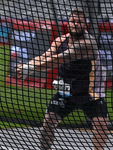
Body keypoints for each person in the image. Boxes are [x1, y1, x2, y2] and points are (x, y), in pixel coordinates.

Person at [16, 9, 109, 150]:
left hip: (90, 93)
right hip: (67, 91)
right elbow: (44, 57)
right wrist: (27, 65)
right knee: (48, 122)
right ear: (68, 23)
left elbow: (60, 58)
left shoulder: (89, 43)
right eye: (73, 21)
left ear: (85, 25)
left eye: (79, 21)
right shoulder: (60, 41)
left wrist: (30, 69)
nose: (76, 24)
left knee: (101, 125)